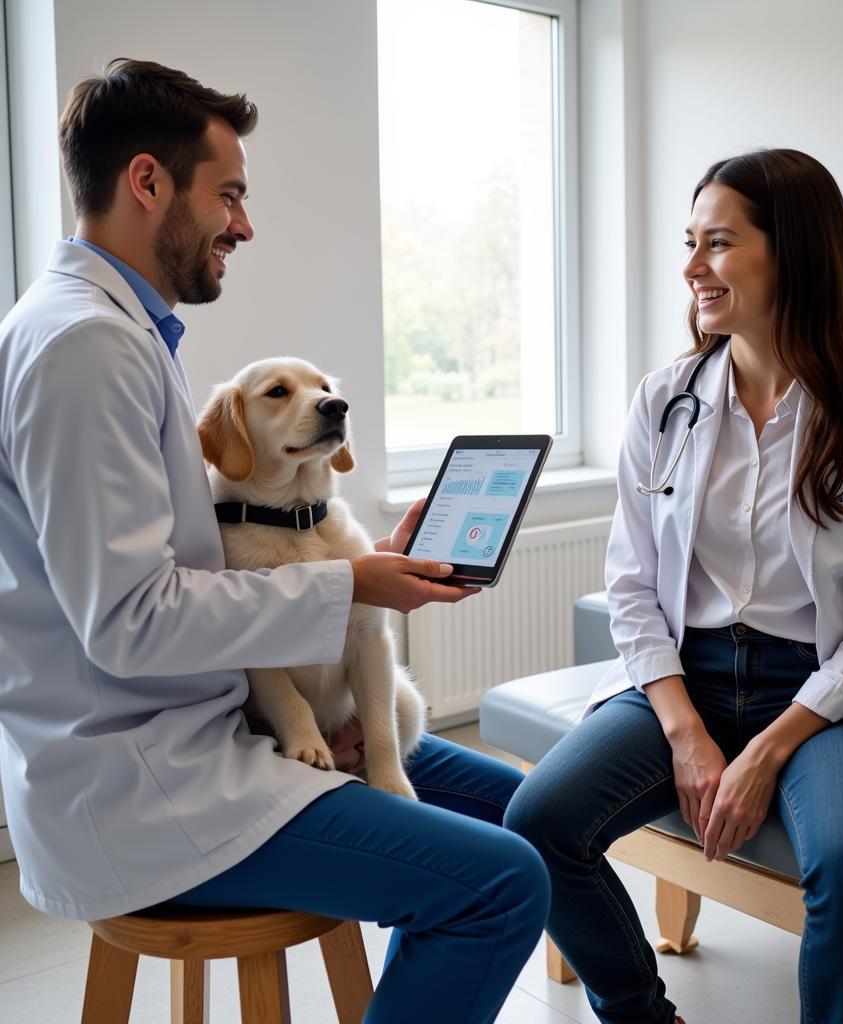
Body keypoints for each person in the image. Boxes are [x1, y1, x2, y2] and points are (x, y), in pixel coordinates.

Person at [0, 59, 548, 1023]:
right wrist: (353, 588)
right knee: (499, 884)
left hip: (203, 737)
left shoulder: (116, 332)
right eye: (231, 195)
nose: (244, 226)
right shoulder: (84, 348)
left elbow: (187, 569)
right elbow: (130, 622)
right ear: (146, 182)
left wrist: (351, 563)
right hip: (151, 785)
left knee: (530, 810)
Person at [505, 148, 843, 1024]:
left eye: (717, 243)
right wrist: (685, 730)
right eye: (690, 242)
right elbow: (631, 583)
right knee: (537, 824)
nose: (692, 268)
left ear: (793, 253)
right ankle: (641, 1014)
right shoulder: (665, 396)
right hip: (684, 675)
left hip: (832, 697)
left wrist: (768, 748)